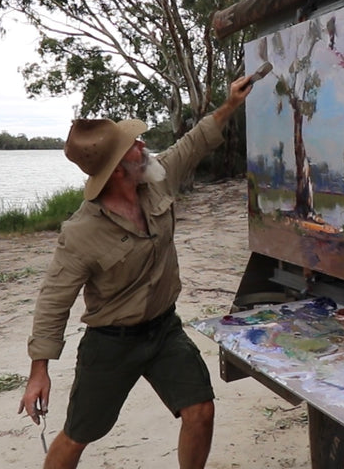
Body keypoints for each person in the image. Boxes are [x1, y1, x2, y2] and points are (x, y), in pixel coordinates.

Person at [18, 75, 254, 469]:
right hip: (112, 343)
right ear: (117, 169)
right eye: (134, 146)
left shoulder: (156, 182)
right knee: (78, 434)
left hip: (164, 331)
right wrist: (38, 370)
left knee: (201, 410)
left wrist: (230, 103)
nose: (144, 147)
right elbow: (53, 301)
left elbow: (193, 143)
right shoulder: (81, 232)